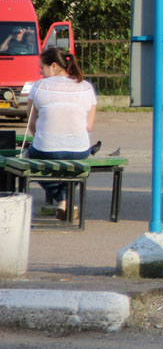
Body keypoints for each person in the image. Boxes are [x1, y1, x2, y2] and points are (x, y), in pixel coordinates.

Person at [26, 47, 97, 221]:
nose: (41, 73)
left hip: (46, 148)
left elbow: (31, 123)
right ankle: (65, 201)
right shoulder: (86, 87)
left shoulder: (39, 86)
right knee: (71, 170)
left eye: (42, 68)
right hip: (80, 149)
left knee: (30, 163)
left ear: (53, 66)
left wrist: (43, 135)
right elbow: (88, 126)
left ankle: (63, 200)